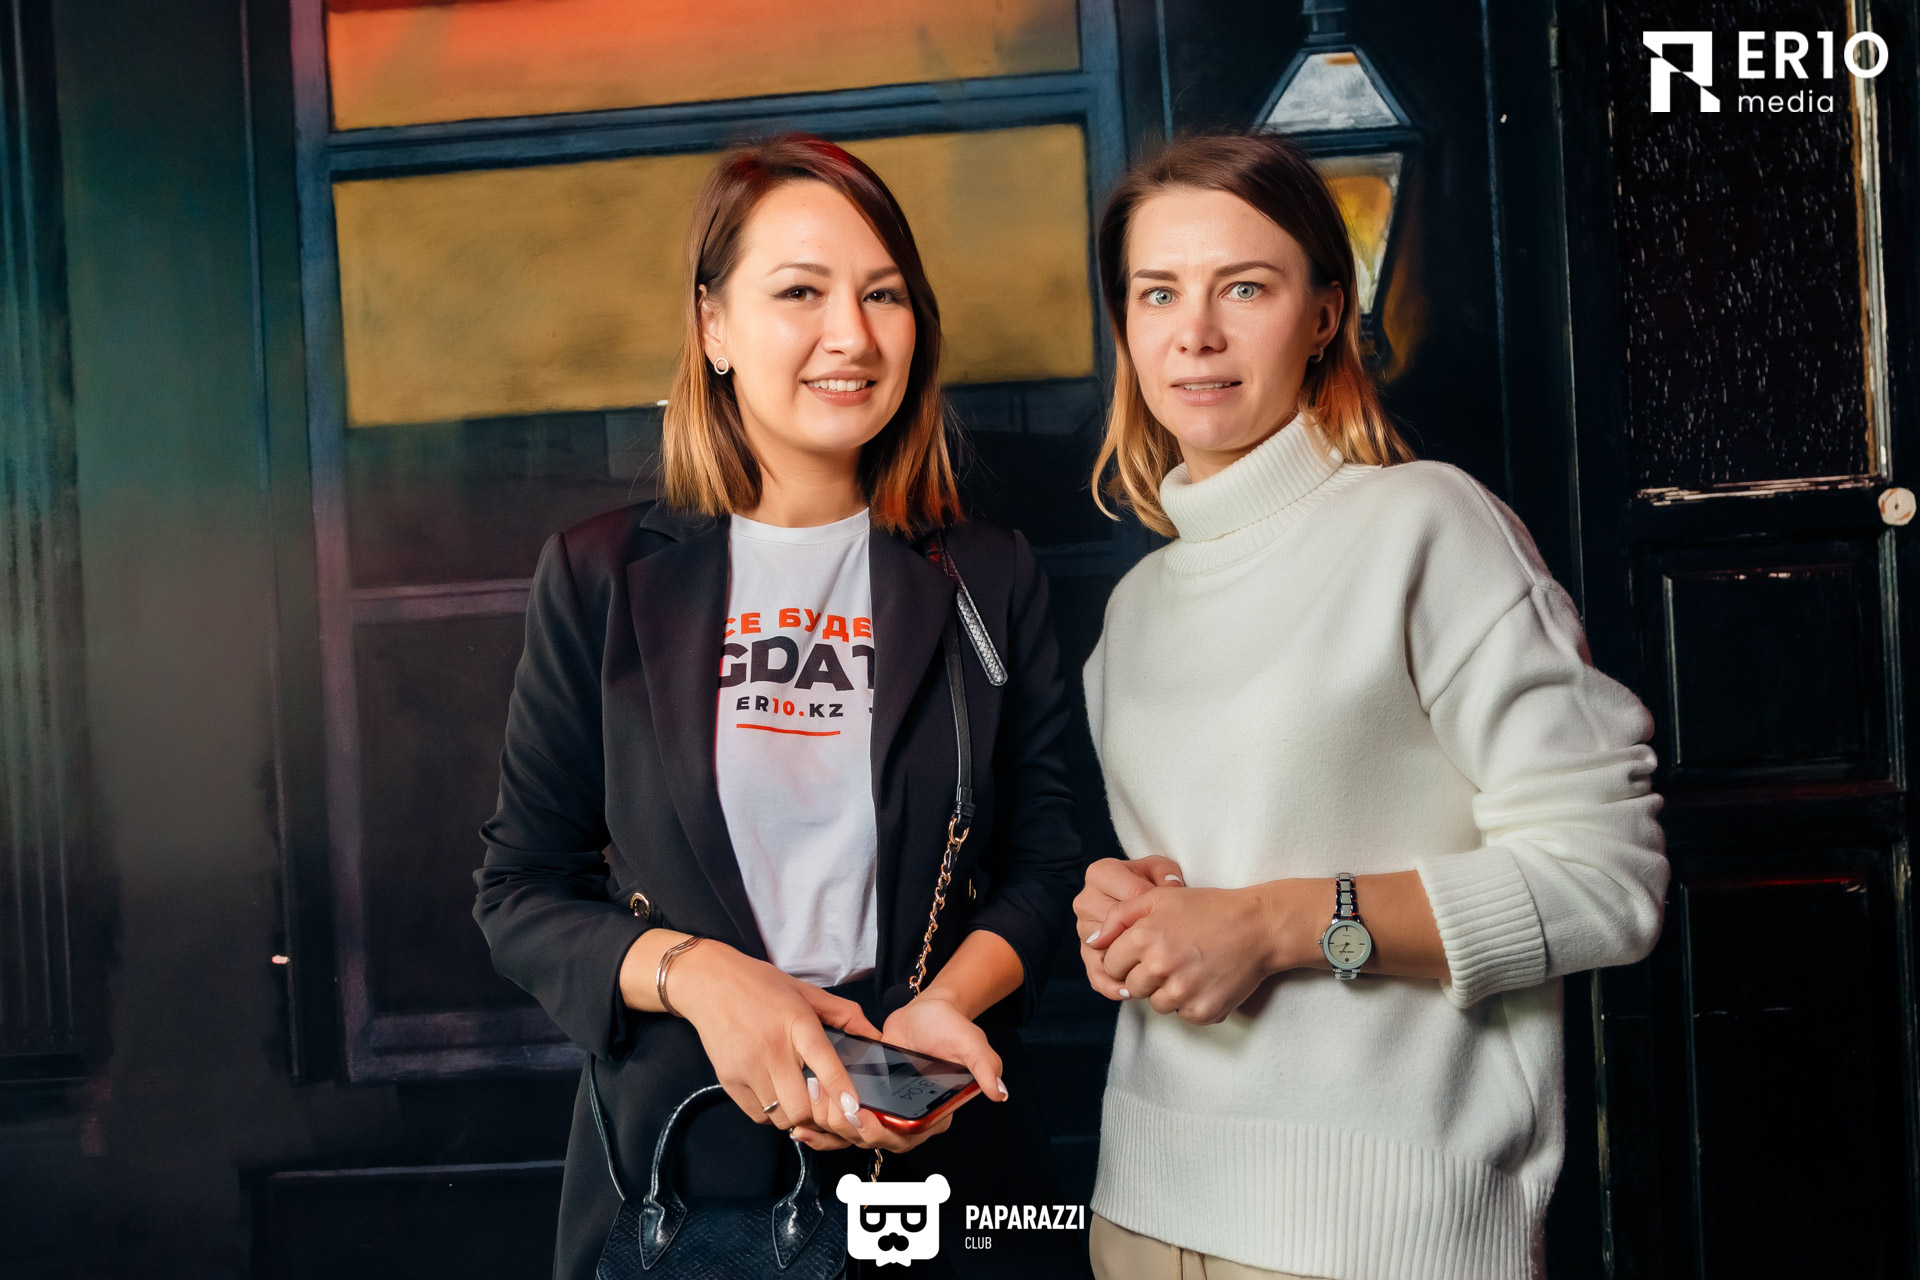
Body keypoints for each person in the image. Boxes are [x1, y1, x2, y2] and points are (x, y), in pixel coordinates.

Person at [473, 133, 1087, 1280]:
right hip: (685, 1168)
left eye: (883, 294)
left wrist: (940, 1015)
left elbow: (1047, 862)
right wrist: (703, 976)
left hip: (938, 1162)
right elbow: (519, 894)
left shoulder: (988, 573)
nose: (852, 333)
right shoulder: (601, 574)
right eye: (801, 291)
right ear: (713, 325)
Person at [1073, 131, 1668, 1280]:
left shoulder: (1426, 527)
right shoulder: (1134, 611)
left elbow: (1609, 881)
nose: (1194, 333)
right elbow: (1218, 871)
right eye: (1158, 292)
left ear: (1325, 315)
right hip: (1141, 1211)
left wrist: (1277, 923)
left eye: (1245, 287)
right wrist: (1129, 913)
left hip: (1374, 1231)